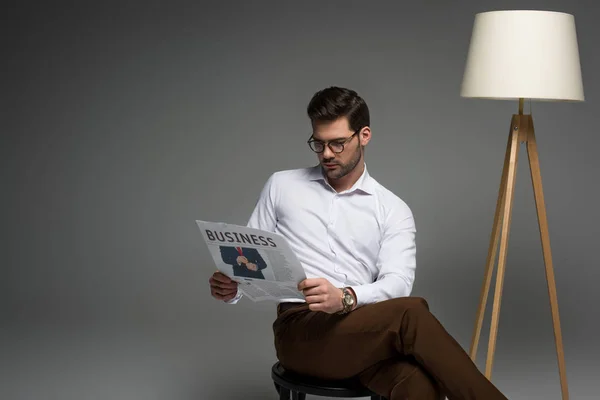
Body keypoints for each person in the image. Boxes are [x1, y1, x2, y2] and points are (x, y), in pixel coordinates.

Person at [208, 86, 509, 400]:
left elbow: (398, 282)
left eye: (337, 143)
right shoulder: (282, 186)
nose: (326, 154)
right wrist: (233, 288)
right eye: (319, 143)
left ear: (364, 136)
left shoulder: (392, 209)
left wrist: (346, 297)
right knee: (411, 313)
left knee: (418, 383)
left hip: (363, 334)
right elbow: (250, 257)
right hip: (300, 332)